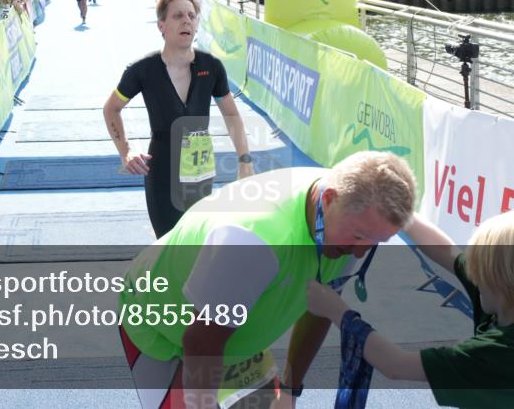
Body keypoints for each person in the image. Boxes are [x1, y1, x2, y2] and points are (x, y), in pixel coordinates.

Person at [117, 151, 417, 407]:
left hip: (233, 329)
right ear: (328, 200)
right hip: (158, 327)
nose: (361, 252)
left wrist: (290, 390)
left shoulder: (354, 217)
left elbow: (320, 306)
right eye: (360, 237)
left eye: (377, 242)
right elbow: (200, 343)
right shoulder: (253, 240)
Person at [306, 206, 514, 409]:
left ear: (503, 281)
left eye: (481, 271)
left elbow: (395, 365)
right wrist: (403, 213)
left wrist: (336, 310)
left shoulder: (499, 354)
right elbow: (448, 253)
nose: (473, 276)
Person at [103, 0, 253, 236]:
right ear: (161, 25)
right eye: (178, 16)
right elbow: (112, 108)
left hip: (200, 169)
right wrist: (126, 152)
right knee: (169, 244)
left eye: (192, 16)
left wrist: (244, 160)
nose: (187, 20)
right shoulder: (142, 70)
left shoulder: (211, 66)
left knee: (199, 242)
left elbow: (232, 114)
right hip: (162, 169)